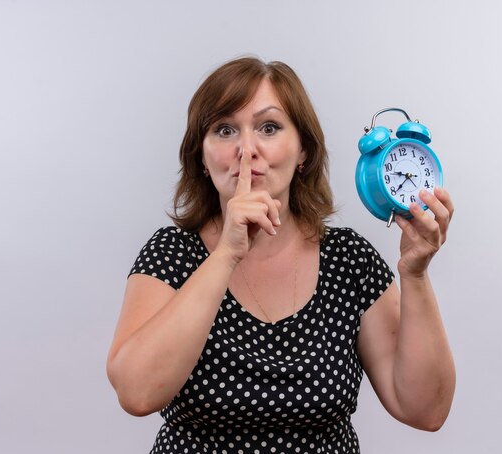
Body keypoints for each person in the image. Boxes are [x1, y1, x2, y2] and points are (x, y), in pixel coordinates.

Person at [106, 56, 455, 453]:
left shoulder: (349, 261)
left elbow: (426, 410)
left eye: (268, 128)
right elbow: (135, 393)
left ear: (303, 149)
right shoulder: (171, 254)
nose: (246, 149)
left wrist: (415, 273)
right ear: (202, 158)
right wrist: (226, 255)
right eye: (224, 130)